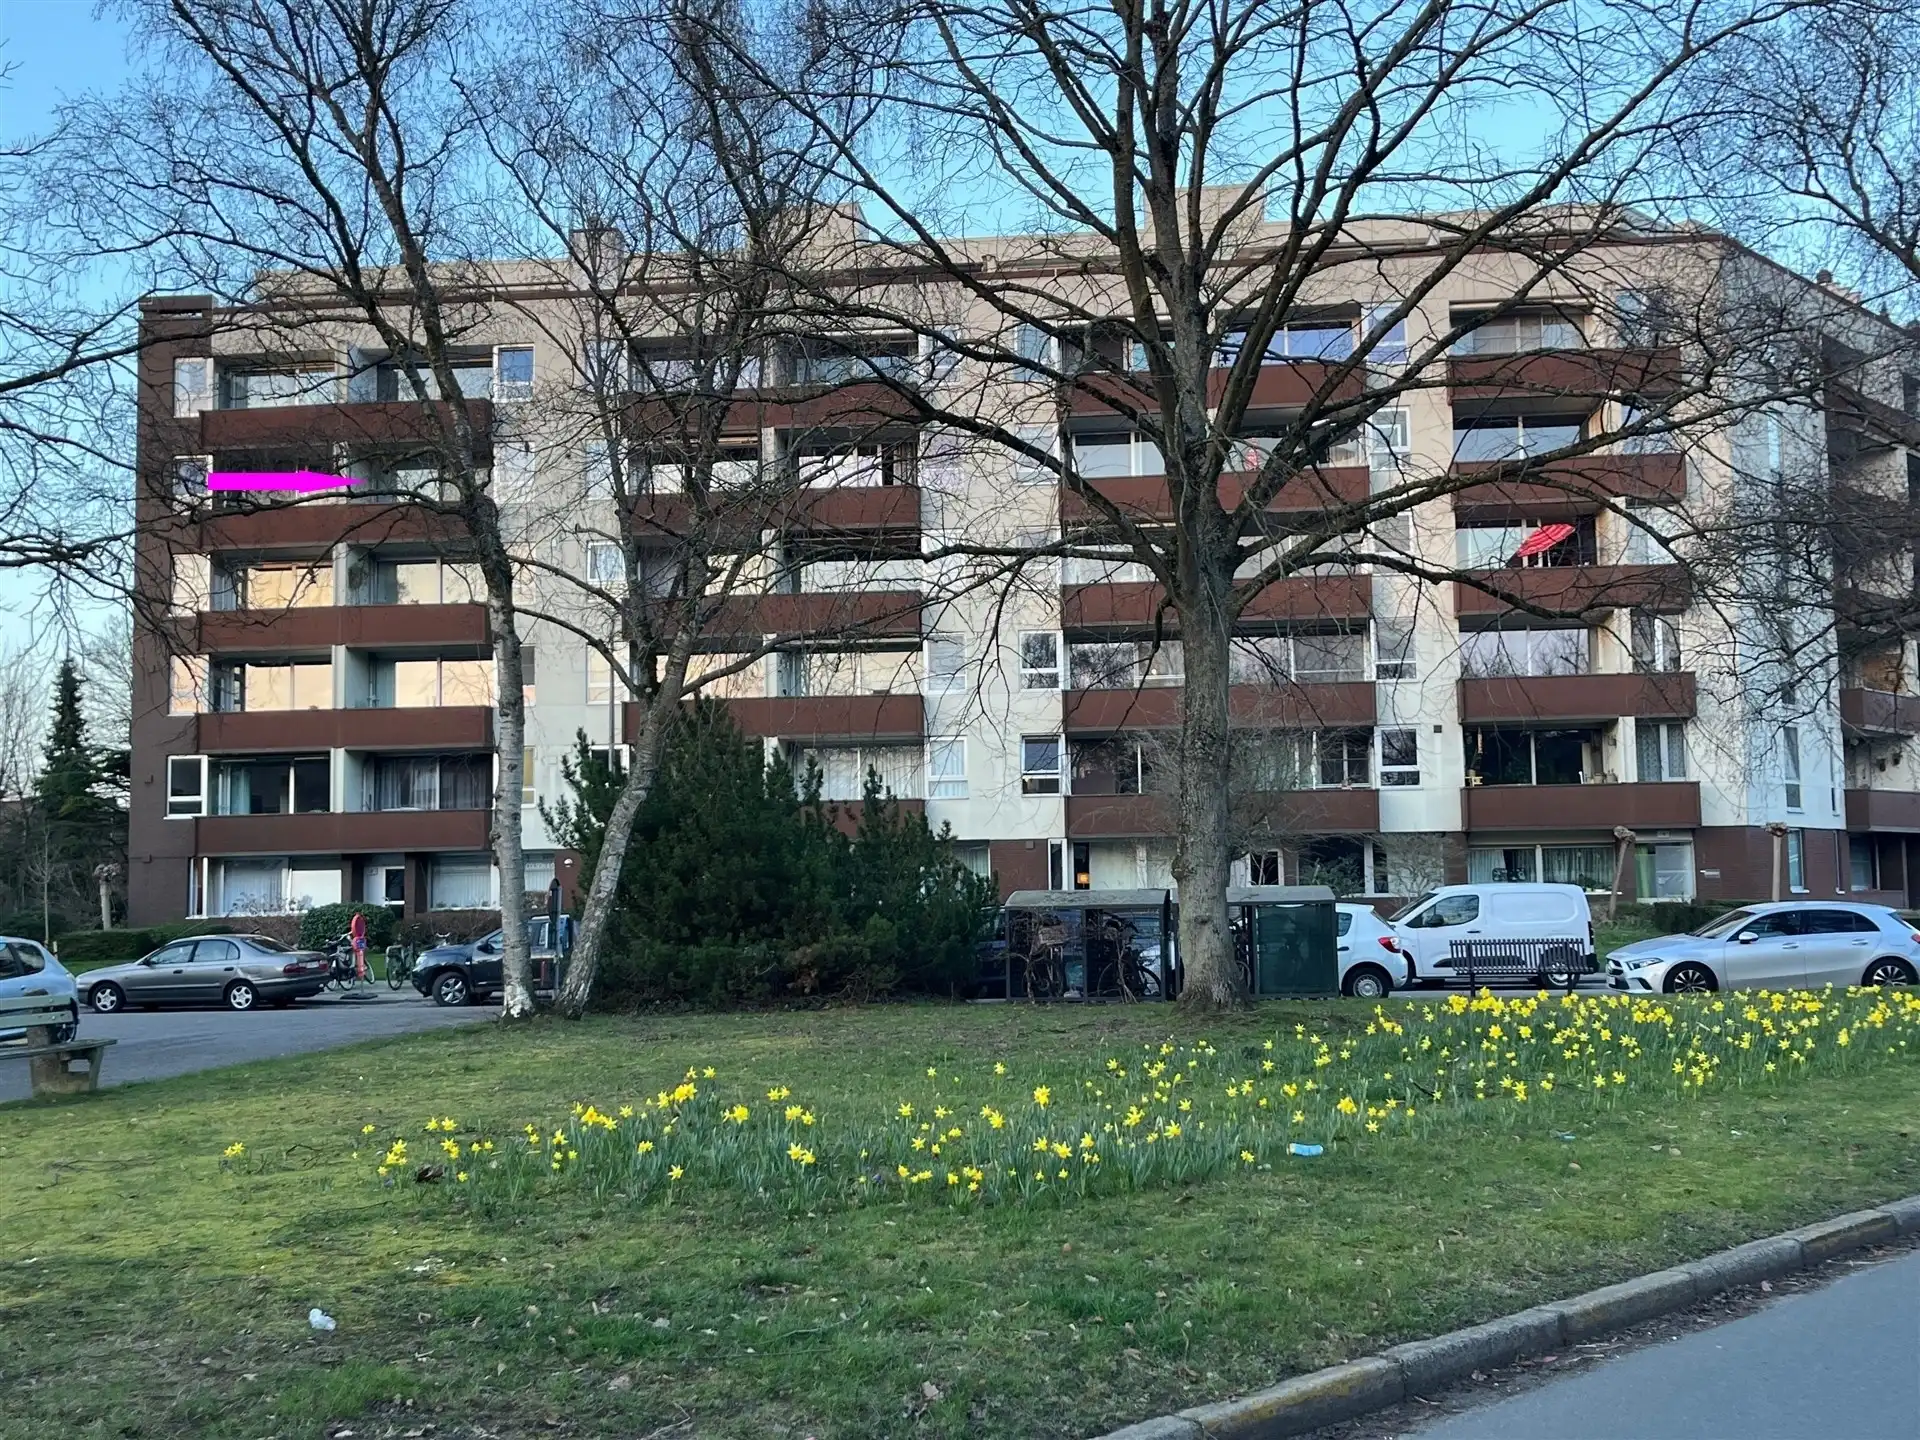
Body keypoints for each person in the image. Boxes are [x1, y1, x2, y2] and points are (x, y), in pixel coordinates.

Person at [349, 908, 369, 981]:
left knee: (358, 955)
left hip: (358, 938)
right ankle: (360, 971)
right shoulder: (360, 920)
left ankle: (360, 971)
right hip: (359, 938)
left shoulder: (358, 920)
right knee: (359, 954)